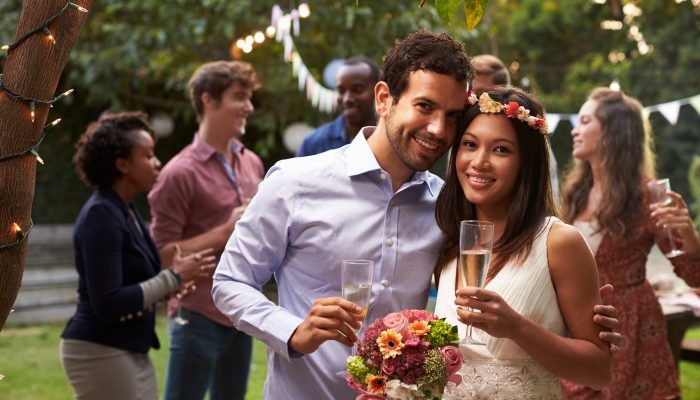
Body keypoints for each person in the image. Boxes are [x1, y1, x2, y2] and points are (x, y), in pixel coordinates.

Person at [212, 29, 622, 400]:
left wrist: (580, 319)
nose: (439, 130)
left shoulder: (448, 210)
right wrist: (292, 331)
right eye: (424, 106)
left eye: (451, 116)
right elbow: (229, 281)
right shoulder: (295, 181)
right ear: (384, 98)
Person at [434, 88, 612, 398]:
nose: (479, 162)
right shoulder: (447, 238)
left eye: (501, 150)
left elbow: (599, 371)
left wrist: (517, 327)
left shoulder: (558, 242)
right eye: (470, 145)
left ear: (526, 163)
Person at [60, 112, 214, 400]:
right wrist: (174, 277)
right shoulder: (101, 215)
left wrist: (172, 285)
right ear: (122, 165)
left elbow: (136, 283)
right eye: (148, 155)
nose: (158, 163)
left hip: (126, 347)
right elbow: (108, 303)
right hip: (100, 350)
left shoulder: (125, 209)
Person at [560, 87, 700, 399]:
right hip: (575, 322)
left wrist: (689, 237)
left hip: (631, 328)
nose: (575, 129)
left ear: (612, 132)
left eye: (584, 121)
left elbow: (695, 275)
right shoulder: (574, 191)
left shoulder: (646, 195)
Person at [147, 61, 265, 400]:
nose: (249, 107)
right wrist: (224, 230)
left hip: (242, 311)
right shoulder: (178, 173)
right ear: (208, 100)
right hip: (197, 314)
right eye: (240, 97)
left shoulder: (252, 162)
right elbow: (160, 257)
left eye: (249, 98)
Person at [472, 53, 560, 200]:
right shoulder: (463, 130)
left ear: (504, 92)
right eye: (470, 145)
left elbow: (547, 197)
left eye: (501, 150)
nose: (476, 101)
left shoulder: (528, 137)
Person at [296, 56, 379, 156]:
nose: (347, 99)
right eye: (341, 91)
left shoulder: (392, 139)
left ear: (378, 91)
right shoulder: (313, 144)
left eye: (357, 90)